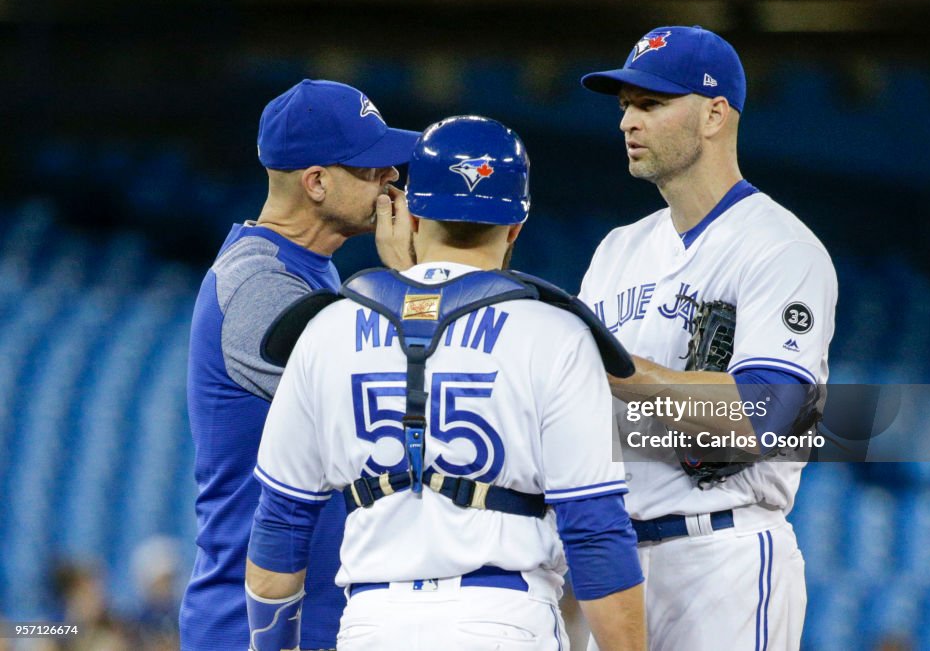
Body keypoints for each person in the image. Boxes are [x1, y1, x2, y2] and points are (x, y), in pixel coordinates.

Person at [244, 115, 646, 650]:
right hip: (502, 618)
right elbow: (595, 532)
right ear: (515, 228)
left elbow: (280, 532)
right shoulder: (556, 334)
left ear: (411, 216)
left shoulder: (325, 329)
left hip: (371, 623)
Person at [578, 26, 838, 650]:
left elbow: (767, 417)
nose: (628, 124)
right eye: (625, 108)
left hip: (721, 552)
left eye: (651, 104)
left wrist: (625, 376)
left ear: (715, 114)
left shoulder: (780, 246)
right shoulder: (617, 249)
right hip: (614, 564)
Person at [180, 79, 420, 651]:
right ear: (316, 182)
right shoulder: (257, 284)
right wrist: (415, 282)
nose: (393, 181)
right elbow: (387, 403)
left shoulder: (311, 268)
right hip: (253, 624)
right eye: (373, 169)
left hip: (308, 612)